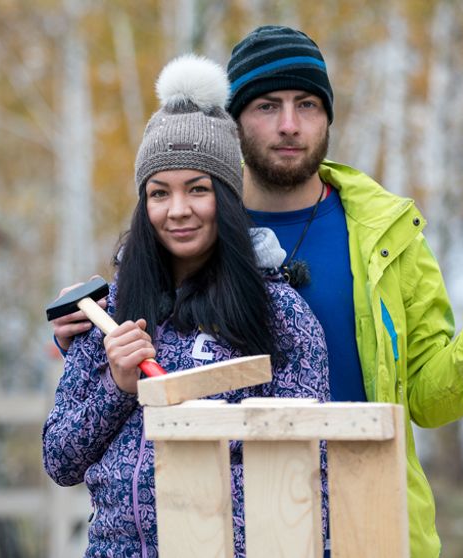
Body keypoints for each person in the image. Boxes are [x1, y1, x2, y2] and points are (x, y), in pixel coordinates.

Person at [53, 26, 463, 557]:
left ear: (328, 116)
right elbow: (146, 334)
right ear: (233, 122)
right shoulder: (190, 214)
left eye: (306, 104)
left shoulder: (388, 236)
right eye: (267, 106)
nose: (289, 125)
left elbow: (425, 399)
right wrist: (83, 339)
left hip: (368, 525)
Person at [42, 54, 330, 558]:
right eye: (159, 193)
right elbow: (60, 459)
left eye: (198, 189)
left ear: (227, 197)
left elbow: (310, 471)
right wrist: (118, 387)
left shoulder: (280, 315)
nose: (178, 210)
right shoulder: (109, 315)